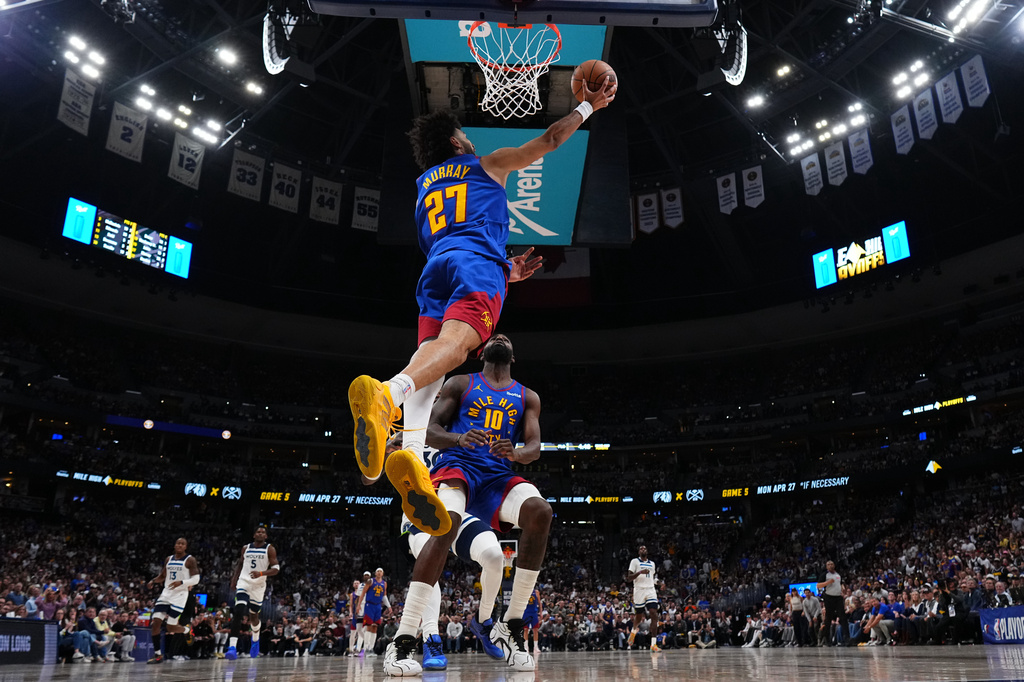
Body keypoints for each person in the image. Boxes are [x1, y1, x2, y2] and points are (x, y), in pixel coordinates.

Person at [348, 77, 617, 539]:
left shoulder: (423, 185)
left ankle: (410, 453)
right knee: (453, 350)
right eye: (466, 137)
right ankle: (386, 394)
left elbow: (457, 232)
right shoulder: (485, 165)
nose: (472, 141)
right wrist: (587, 108)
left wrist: (503, 266)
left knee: (430, 363)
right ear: (456, 141)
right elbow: (551, 140)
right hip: (474, 266)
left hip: (438, 267)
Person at [382, 334, 547, 676]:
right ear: (481, 352)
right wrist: (458, 438)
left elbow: (534, 448)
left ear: (512, 358)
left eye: (506, 338)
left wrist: (516, 453)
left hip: (497, 475)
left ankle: (510, 626)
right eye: (494, 337)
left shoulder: (527, 396)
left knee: (540, 512)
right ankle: (402, 641)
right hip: (458, 468)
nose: (500, 338)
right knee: (446, 524)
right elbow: (427, 429)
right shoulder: (461, 382)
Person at [225, 525, 279, 660]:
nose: (260, 533)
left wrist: (261, 573)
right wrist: (234, 578)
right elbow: (240, 564)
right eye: (258, 531)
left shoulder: (269, 549)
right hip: (244, 582)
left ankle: (255, 639)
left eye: (263, 532)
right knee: (238, 611)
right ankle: (232, 647)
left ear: (265, 536)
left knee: (254, 616)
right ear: (254, 535)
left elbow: (276, 568)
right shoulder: (246, 548)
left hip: (258, 586)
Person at [146, 538, 200, 664]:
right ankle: (158, 655)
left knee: (171, 627)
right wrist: (153, 581)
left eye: (182, 544)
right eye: (178, 543)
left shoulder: (190, 560)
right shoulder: (168, 559)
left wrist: (182, 582)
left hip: (180, 595)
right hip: (166, 593)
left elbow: (196, 579)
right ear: (175, 545)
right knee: (156, 623)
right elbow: (163, 576)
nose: (179, 545)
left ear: (186, 546)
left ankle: (187, 630)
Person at [625, 545, 662, 652]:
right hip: (639, 590)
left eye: (645, 548)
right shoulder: (634, 562)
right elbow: (629, 578)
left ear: (647, 551)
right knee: (638, 616)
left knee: (654, 614)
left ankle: (653, 644)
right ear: (638, 552)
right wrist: (640, 572)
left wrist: (658, 583)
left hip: (650, 590)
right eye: (641, 548)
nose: (643, 549)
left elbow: (651, 578)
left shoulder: (652, 564)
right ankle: (633, 631)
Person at [356, 568, 390, 658]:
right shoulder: (370, 581)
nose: (379, 572)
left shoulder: (384, 583)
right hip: (369, 605)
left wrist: (389, 606)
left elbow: (384, 596)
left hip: (378, 606)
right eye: (377, 571)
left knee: (375, 627)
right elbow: (363, 593)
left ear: (383, 574)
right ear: (375, 573)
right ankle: (366, 648)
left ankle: (371, 648)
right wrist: (359, 605)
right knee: (369, 626)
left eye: (381, 571)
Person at [816, 560, 848, 646]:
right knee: (828, 618)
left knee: (843, 617)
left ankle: (847, 638)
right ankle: (827, 639)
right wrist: (828, 582)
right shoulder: (825, 574)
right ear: (826, 567)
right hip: (829, 597)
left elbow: (840, 583)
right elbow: (818, 585)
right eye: (828, 564)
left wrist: (843, 589)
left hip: (838, 597)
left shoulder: (838, 574)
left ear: (834, 565)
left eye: (831, 564)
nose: (830, 565)